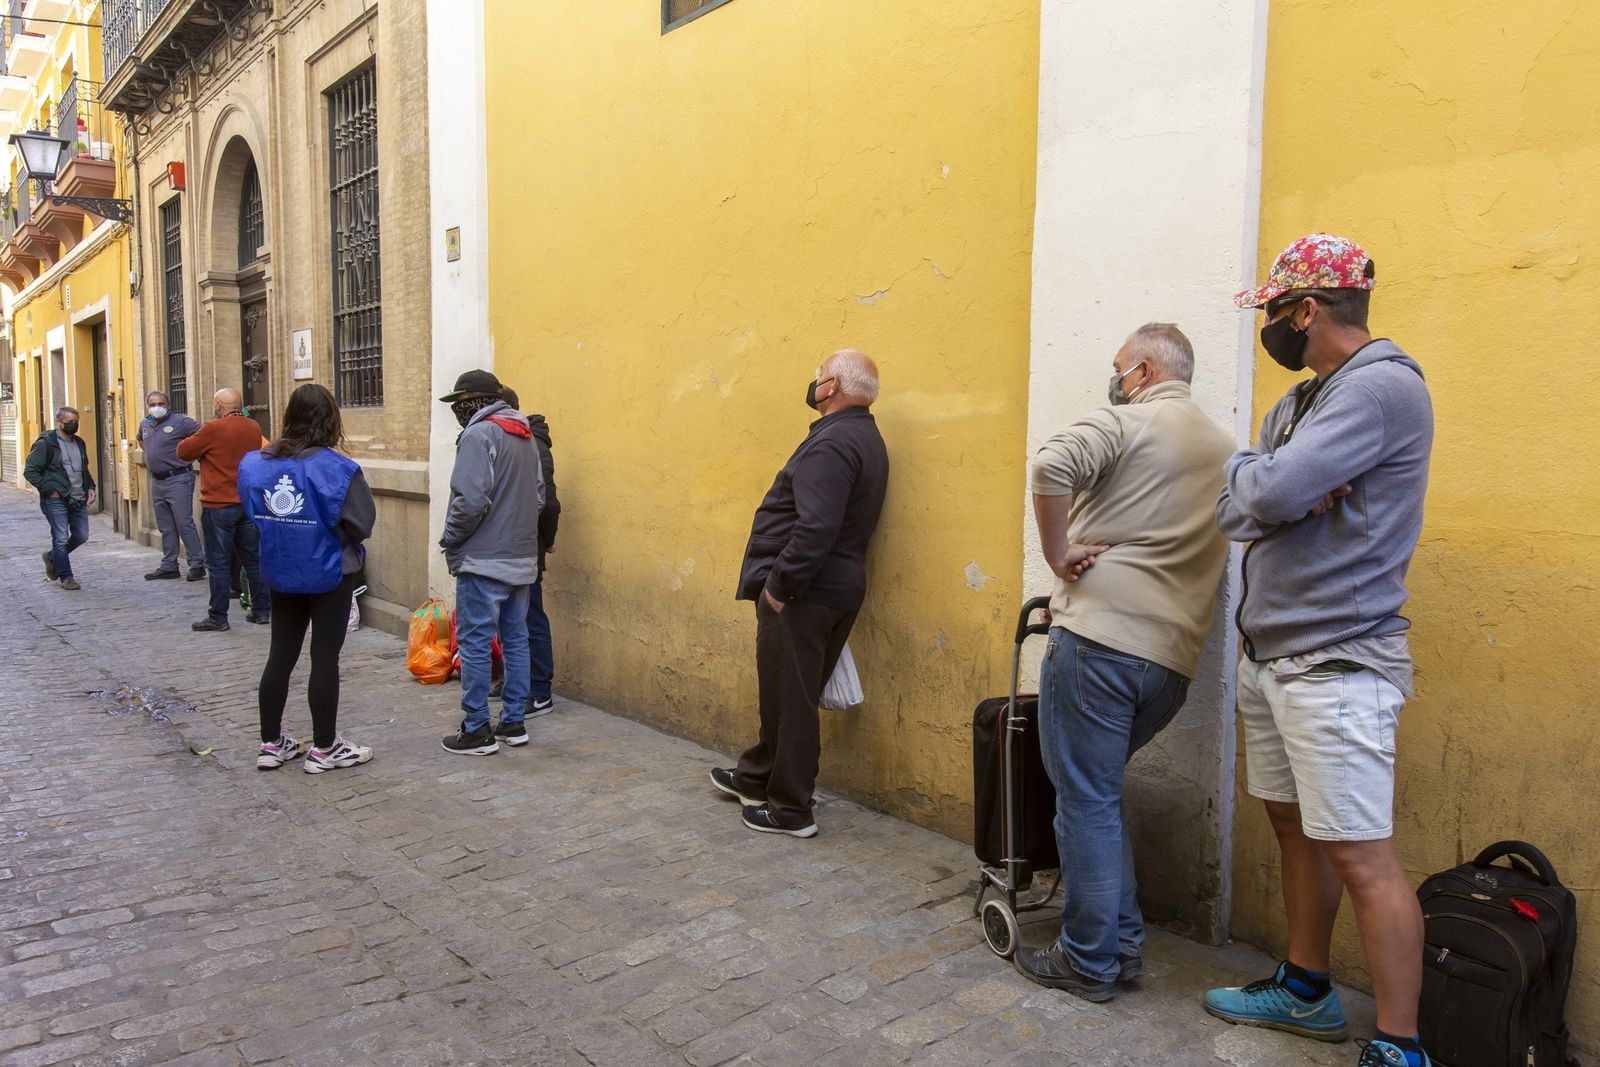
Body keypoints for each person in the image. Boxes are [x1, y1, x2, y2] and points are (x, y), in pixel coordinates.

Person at [1207, 234, 1434, 1067]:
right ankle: (1306, 989)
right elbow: (1242, 502)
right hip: (1272, 654)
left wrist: (1272, 487)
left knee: (1361, 850)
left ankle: (1401, 1046)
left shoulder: (1378, 390)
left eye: (1275, 311)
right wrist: (1267, 484)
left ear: (1308, 309)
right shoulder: (1302, 403)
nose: (1268, 327)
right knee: (1293, 825)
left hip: (1337, 659)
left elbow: (1269, 489)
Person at [1013, 324, 1234, 1002]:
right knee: (1097, 795)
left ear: (1140, 369)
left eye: (1118, 367)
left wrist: (1058, 554)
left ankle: (1087, 959)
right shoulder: (1228, 449)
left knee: (1082, 798)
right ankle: (1121, 948)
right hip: (1170, 664)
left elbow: (1050, 465)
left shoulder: (1128, 422)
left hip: (1101, 643)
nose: (1114, 378)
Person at [710, 349, 889, 838]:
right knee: (789, 693)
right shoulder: (859, 436)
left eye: (817, 377)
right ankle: (755, 777)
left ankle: (791, 808)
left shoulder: (834, 444)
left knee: (791, 700)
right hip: (829, 586)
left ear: (832, 386)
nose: (813, 385)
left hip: (806, 592)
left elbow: (817, 527)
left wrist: (780, 588)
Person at [239, 384, 376, 774]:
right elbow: (361, 523)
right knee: (324, 658)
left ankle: (270, 743)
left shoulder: (256, 464)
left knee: (280, 654)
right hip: (330, 570)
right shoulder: (338, 469)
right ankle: (325, 746)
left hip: (282, 569)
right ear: (331, 421)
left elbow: (253, 512)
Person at [437, 370, 544, 756]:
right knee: (516, 639)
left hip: (483, 560)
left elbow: (469, 500)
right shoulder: (524, 435)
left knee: (476, 643)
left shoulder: (479, 435)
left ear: (474, 401)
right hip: (520, 557)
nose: (457, 411)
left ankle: (477, 727)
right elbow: (536, 498)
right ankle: (513, 722)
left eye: (460, 402)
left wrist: (450, 538)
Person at [178, 387, 272, 631]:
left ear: (219, 405)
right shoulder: (253, 427)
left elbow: (183, 451)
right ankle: (261, 610)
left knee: (218, 563)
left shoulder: (213, 428)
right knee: (252, 559)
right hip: (245, 503)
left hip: (218, 503)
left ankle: (218, 616)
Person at [500, 386, 561, 727]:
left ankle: (539, 690)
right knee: (510, 618)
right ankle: (516, 683)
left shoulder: (532, 444)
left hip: (527, 543)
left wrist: (547, 541)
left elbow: (548, 501)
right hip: (509, 544)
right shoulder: (511, 439)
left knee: (531, 616)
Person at [24, 406, 96, 591]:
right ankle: (66, 577)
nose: (73, 425)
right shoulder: (46, 443)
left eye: (76, 421)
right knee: (61, 538)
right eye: (69, 422)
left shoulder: (79, 443)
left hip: (78, 498)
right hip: (56, 499)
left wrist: (90, 487)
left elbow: (84, 469)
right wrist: (50, 490)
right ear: (59, 422)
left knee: (81, 535)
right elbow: (30, 471)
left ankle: (51, 557)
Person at [136, 390, 205, 582]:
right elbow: (141, 441)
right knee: (165, 525)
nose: (156, 407)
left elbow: (204, 436)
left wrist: (187, 455)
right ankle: (169, 565)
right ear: (148, 405)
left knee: (184, 523)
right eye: (152, 404)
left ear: (167, 405)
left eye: (160, 403)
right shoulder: (145, 424)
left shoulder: (181, 422)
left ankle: (197, 563)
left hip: (178, 478)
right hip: (157, 480)